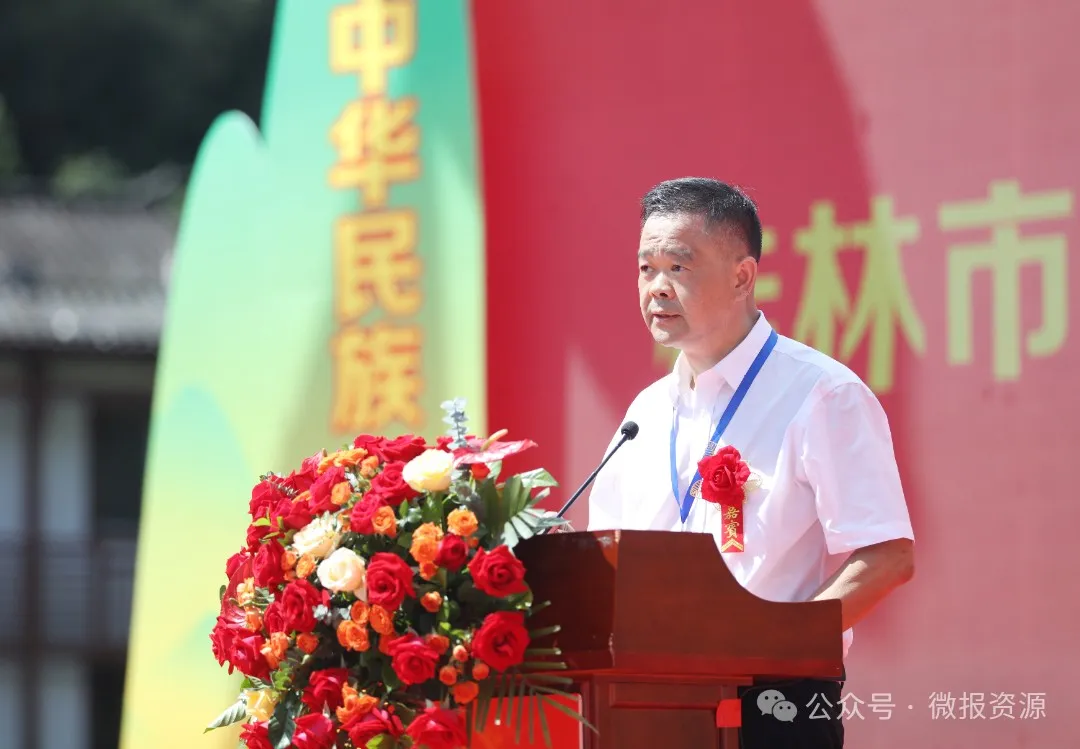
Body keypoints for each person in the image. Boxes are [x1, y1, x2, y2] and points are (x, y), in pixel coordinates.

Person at [586, 177, 915, 749]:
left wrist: (773, 644)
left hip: (775, 703)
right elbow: (607, 559)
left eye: (678, 267)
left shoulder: (821, 394)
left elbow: (888, 556)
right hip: (645, 704)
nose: (657, 288)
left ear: (742, 277)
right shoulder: (645, 414)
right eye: (646, 269)